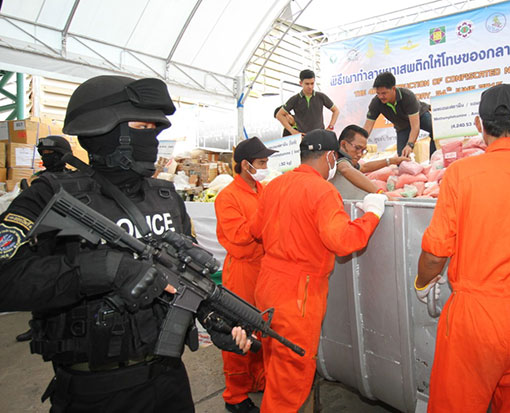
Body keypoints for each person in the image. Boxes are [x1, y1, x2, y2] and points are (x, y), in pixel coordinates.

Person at [0, 75, 250, 413]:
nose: (151, 137)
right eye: (140, 125)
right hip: (95, 390)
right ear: (101, 129)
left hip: (169, 379)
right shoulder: (49, 196)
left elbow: (182, 275)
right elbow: (6, 278)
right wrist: (102, 269)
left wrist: (210, 316)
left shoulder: (165, 197)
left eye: (154, 128)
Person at [415, 84, 510, 412]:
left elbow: (435, 252)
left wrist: (422, 283)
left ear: (478, 124)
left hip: (476, 316)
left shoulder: (461, 174)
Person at [249, 129, 387, 412]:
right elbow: (344, 241)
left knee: (275, 365)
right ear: (329, 156)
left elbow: (255, 230)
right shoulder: (322, 190)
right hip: (298, 296)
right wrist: (372, 214)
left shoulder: (274, 185)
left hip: (267, 286)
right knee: (290, 382)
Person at [214, 137, 277, 413]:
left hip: (265, 269)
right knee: (238, 332)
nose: (265, 167)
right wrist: (267, 220)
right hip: (242, 271)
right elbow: (239, 236)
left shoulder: (263, 189)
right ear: (245, 164)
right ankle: (235, 395)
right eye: (261, 163)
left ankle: (259, 379)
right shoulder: (227, 197)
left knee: (262, 328)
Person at [15, 135, 74, 342]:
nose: (47, 157)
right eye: (44, 154)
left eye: (52, 154)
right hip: (44, 238)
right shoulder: (40, 181)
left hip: (67, 237)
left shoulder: (77, 180)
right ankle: (38, 326)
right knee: (42, 284)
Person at [363, 72, 434, 157]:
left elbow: (415, 126)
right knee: (402, 157)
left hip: (420, 116)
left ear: (393, 89)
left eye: (384, 93)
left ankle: (433, 160)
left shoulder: (407, 96)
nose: (381, 96)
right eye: (378, 93)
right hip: (402, 126)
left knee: (436, 130)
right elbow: (367, 127)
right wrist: (361, 142)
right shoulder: (376, 102)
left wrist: (410, 145)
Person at [275, 69, 340, 134]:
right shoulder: (295, 99)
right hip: (303, 138)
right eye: (307, 84)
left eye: (312, 83)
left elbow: (336, 111)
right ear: (301, 83)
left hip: (320, 136)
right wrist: (292, 130)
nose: (310, 86)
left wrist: (330, 127)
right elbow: (279, 115)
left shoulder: (321, 96)